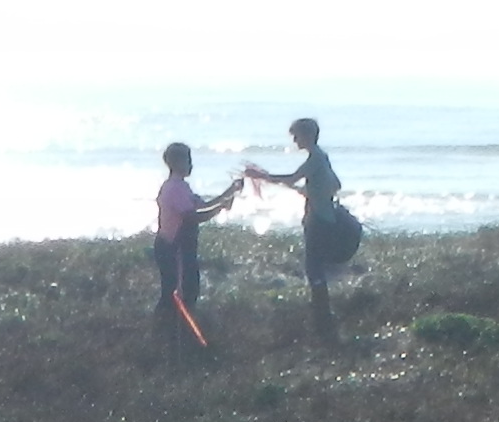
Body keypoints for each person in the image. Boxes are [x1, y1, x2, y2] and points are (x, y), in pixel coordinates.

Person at [247, 115, 363, 342]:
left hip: (318, 220)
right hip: (323, 217)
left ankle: (323, 321)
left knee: (314, 269)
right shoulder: (322, 158)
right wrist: (312, 190)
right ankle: (323, 320)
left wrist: (261, 176)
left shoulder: (316, 158)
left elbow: (292, 178)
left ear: (308, 136)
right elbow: (336, 185)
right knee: (316, 268)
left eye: (297, 136)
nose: (294, 141)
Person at [149, 141, 244, 342]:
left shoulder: (182, 186)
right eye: (188, 161)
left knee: (187, 289)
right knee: (177, 293)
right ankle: (168, 334)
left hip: (180, 248)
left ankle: (176, 334)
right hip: (173, 248)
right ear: (176, 162)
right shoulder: (174, 188)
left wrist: (230, 191)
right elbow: (192, 216)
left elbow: (203, 205)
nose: (191, 165)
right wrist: (219, 209)